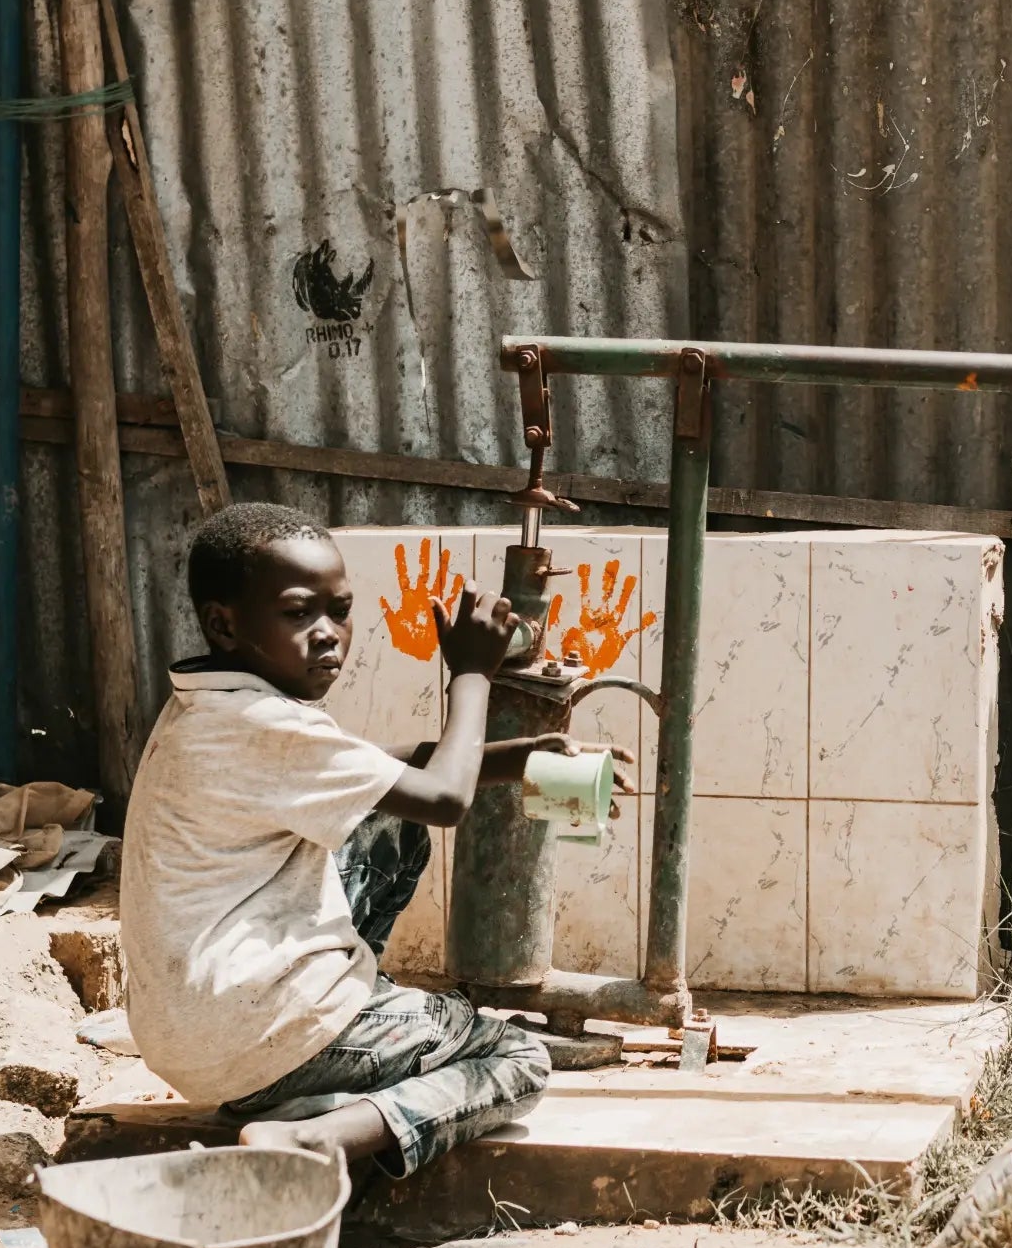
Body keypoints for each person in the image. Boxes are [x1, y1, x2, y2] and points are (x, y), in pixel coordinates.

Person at [121, 502, 634, 1175]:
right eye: (298, 612)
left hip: (196, 1036)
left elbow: (378, 771)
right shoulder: (264, 722)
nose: (328, 634)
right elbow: (445, 799)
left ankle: (315, 1077)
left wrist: (522, 756)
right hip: (259, 1033)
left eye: (339, 610)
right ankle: (314, 1138)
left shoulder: (209, 703)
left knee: (386, 816)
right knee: (516, 1058)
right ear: (225, 622)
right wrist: (473, 672)